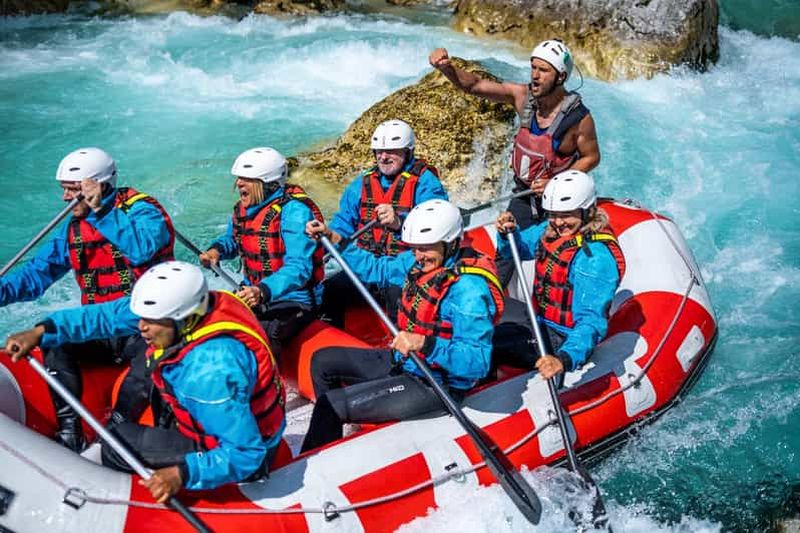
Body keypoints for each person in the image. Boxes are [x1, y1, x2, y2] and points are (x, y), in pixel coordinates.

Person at [5, 261, 286, 503]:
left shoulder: (209, 371)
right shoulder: (197, 307)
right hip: (219, 420)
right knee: (157, 379)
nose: (141, 328)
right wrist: (42, 331)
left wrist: (182, 473)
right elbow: (105, 317)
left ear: (184, 319)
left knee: (118, 441)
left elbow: (246, 454)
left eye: (151, 322)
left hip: (243, 456)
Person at [0, 147, 175, 451]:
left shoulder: (144, 210)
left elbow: (143, 247)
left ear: (98, 184)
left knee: (152, 359)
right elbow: (34, 277)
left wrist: (103, 213)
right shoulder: (72, 228)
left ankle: (117, 432)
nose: (65, 199)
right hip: (102, 328)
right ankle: (70, 432)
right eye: (64, 190)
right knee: (54, 340)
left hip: (143, 328)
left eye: (71, 190)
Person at [301, 199, 504, 452]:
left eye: (426, 248)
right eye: (416, 248)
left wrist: (425, 343)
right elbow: (377, 268)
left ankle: (321, 459)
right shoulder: (420, 263)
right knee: (323, 361)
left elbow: (477, 362)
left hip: (437, 383)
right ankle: (341, 440)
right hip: (407, 361)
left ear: (451, 243)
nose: (419, 255)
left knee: (329, 406)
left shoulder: (469, 292)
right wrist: (335, 238)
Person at [429, 40, 600, 283]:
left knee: (560, 258)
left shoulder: (578, 119)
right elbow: (475, 85)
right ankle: (492, 303)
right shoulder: (522, 97)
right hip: (524, 195)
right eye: (533, 68)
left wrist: (556, 182)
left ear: (561, 76)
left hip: (561, 202)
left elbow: (592, 157)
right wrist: (447, 67)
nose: (535, 76)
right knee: (506, 252)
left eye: (543, 70)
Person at [494, 170, 625, 380]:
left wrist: (564, 359)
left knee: (484, 341)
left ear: (587, 211)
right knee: (483, 311)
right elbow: (516, 249)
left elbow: (591, 322)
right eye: (553, 214)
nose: (558, 222)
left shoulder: (594, 259)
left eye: (566, 215)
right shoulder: (551, 231)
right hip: (538, 320)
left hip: (562, 338)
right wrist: (507, 233)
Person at [315, 119, 448, 325]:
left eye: (391, 151)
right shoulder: (361, 183)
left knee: (402, 301)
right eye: (379, 151)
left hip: (406, 267)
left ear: (407, 152)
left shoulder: (426, 184)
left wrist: (398, 223)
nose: (383, 157)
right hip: (367, 264)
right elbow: (343, 224)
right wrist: (320, 241)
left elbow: (436, 226)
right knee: (330, 290)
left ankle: (402, 347)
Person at [199, 147, 325, 360]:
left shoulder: (294, 212)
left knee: (266, 330)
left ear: (269, 184)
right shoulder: (243, 208)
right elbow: (234, 239)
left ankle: (272, 384)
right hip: (256, 293)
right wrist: (216, 251)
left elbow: (299, 268)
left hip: (296, 299)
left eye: (247, 179)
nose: (239, 184)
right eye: (239, 178)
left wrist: (263, 291)